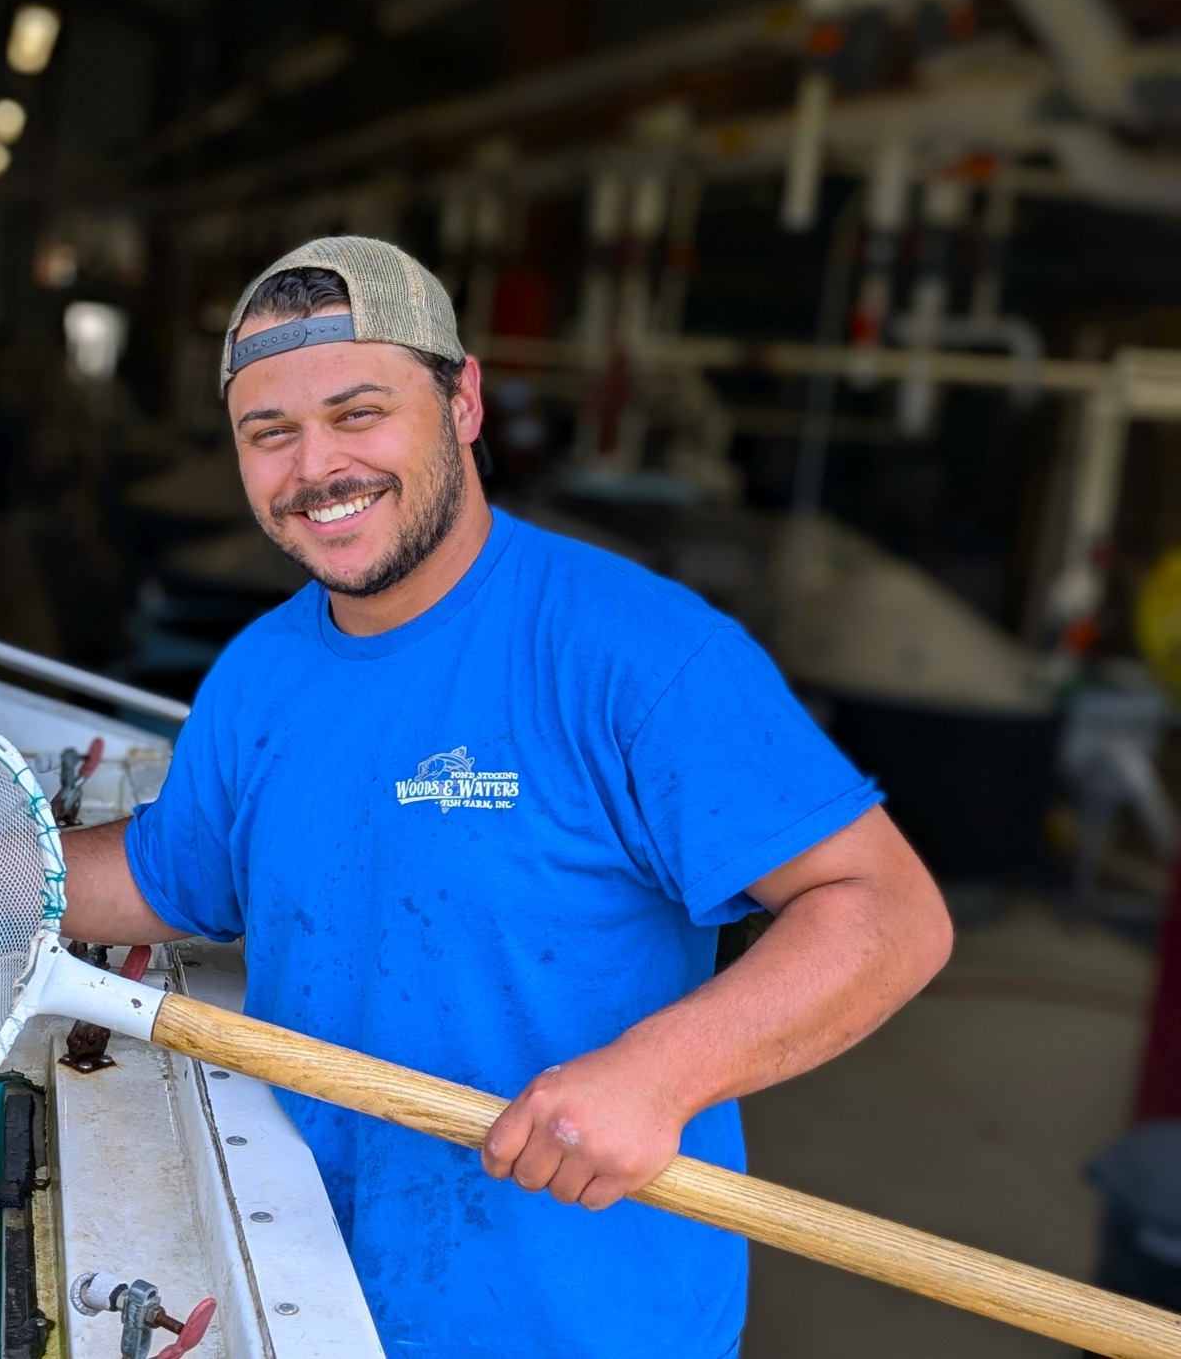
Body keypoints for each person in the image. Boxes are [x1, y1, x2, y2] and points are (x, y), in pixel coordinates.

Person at [60, 235, 953, 1357]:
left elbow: (886, 911)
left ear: (463, 399)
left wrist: (656, 1076)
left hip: (575, 1321)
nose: (316, 469)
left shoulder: (635, 652)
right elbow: (165, 877)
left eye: (357, 412)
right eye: (268, 433)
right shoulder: (259, 672)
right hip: (315, 1298)